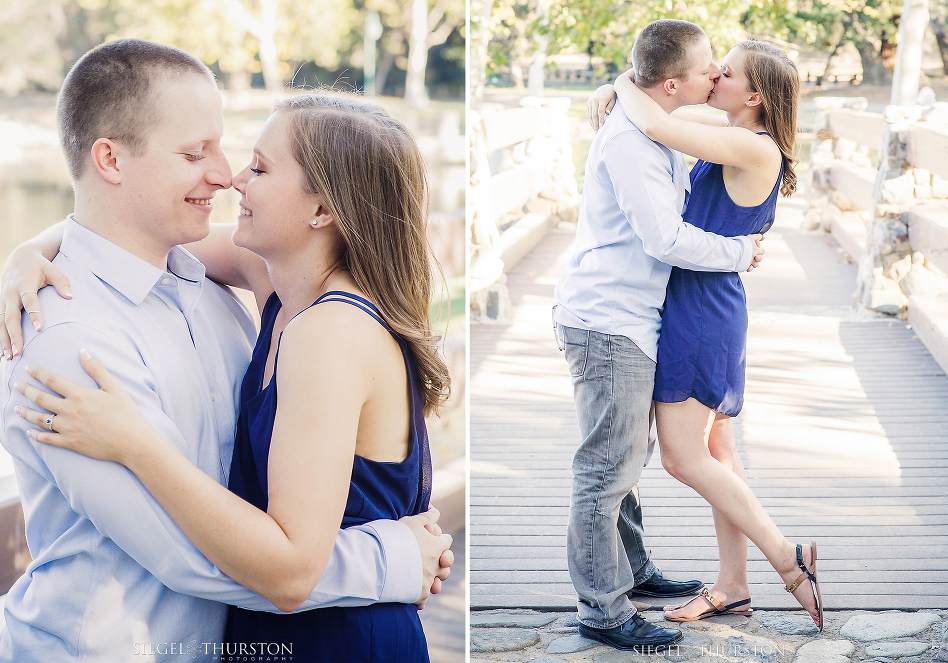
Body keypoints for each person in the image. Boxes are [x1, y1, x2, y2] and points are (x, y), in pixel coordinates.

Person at [0, 39, 452, 662]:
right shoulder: (67, 341)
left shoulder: (237, 285)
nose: (226, 174)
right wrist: (392, 561)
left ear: (324, 209)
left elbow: (273, 552)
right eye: (195, 152)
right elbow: (185, 556)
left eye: (250, 163)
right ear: (109, 158)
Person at [586, 37, 823, 630]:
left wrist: (617, 84)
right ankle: (733, 586)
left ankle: (786, 559)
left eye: (730, 70)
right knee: (719, 452)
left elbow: (654, 118)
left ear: (756, 95)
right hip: (709, 306)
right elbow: (659, 103)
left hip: (701, 314)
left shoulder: (750, 146)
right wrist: (624, 82)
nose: (717, 72)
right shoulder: (739, 138)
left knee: (683, 457)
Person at [552, 19, 767, 653]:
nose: (716, 76)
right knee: (605, 468)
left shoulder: (661, 123)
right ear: (673, 83)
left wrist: (616, 83)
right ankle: (603, 609)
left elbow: (692, 124)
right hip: (607, 321)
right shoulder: (630, 141)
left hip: (631, 317)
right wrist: (739, 251)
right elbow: (664, 239)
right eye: (707, 69)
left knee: (627, 458)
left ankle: (635, 574)